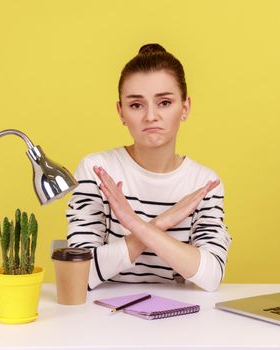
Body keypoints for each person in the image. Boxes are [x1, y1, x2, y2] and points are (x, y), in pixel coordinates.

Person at [66, 44, 231, 292]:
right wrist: (161, 223)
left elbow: (211, 277)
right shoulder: (97, 170)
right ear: (121, 112)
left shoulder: (203, 183)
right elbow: (78, 275)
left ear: (184, 108)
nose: (151, 116)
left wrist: (139, 225)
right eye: (136, 105)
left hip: (178, 316)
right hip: (100, 316)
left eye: (164, 102)